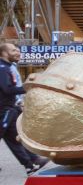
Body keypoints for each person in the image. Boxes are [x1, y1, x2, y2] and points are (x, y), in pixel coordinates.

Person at [0, 43, 48, 175]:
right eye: (14, 50)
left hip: (10, 108)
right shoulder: (2, 68)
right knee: (13, 137)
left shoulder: (8, 67)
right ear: (4, 53)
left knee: (16, 137)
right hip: (3, 110)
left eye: (18, 50)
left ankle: (31, 163)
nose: (18, 52)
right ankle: (32, 162)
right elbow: (7, 89)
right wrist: (28, 87)